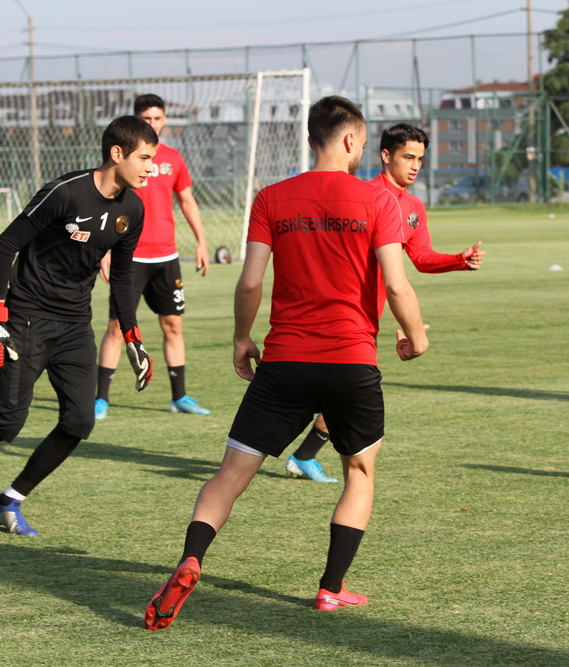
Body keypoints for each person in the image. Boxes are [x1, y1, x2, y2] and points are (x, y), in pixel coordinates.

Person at [143, 96, 429, 630]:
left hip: (285, 360)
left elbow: (250, 280)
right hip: (351, 360)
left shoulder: (272, 197)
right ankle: (330, 589)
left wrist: (240, 339)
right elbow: (396, 283)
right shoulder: (378, 201)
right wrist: (415, 337)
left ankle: (191, 558)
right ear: (349, 140)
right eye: (364, 143)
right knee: (360, 471)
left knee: (230, 474)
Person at [0, 116, 158, 536]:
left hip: (76, 325)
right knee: (7, 423)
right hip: (25, 317)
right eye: (145, 158)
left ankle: (10, 499)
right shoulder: (65, 193)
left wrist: (132, 335)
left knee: (80, 422)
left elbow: (120, 276)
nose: (152, 167)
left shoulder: (133, 209)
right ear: (117, 154)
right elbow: (5, 245)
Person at [285, 122, 484, 483]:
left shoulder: (413, 207)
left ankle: (301, 455)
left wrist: (459, 259)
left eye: (420, 159)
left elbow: (421, 258)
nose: (415, 166)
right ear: (385, 154)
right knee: (333, 391)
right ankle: (295, 454)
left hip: (368, 318)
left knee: (341, 393)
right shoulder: (363, 195)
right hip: (340, 312)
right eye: (408, 157)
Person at [94, 94, 211, 419]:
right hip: (128, 257)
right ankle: (100, 399)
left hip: (166, 257)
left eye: (157, 118)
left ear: (164, 120)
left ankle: (180, 397)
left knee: (172, 325)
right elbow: (103, 201)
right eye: (146, 118)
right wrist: (103, 249)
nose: (152, 123)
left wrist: (201, 241)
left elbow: (187, 201)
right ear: (135, 120)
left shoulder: (172, 158)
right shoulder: (123, 160)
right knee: (117, 327)